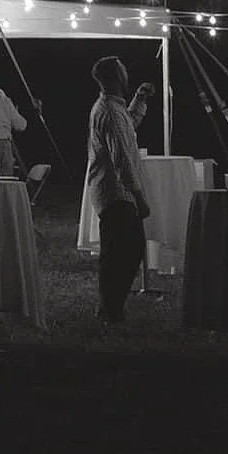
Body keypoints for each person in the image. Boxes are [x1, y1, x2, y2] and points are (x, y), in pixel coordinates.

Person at [87, 56, 151, 324]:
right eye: (123, 71)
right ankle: (110, 309)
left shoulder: (112, 108)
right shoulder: (110, 112)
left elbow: (129, 124)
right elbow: (122, 157)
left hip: (111, 189)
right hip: (115, 190)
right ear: (116, 77)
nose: (127, 74)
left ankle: (111, 307)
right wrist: (139, 197)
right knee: (122, 251)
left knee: (122, 249)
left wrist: (140, 99)